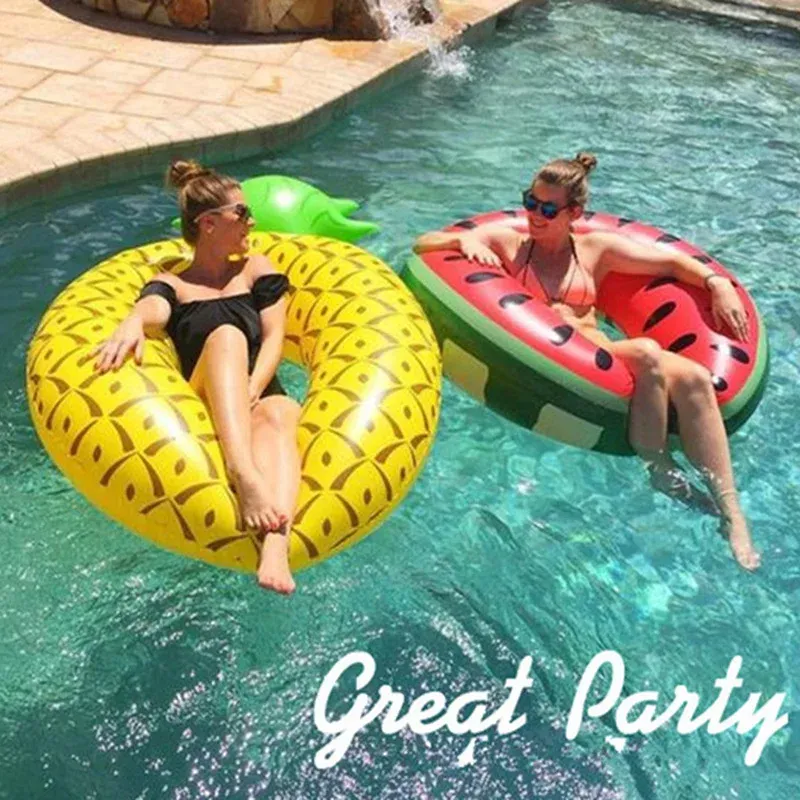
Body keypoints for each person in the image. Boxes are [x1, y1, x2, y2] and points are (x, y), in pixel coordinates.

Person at [414, 152, 760, 571]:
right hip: (566, 360)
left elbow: (670, 263)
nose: (534, 214)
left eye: (548, 209)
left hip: (604, 358)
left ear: (574, 213)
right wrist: (461, 241)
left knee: (696, 379)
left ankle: (732, 513)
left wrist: (717, 283)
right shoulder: (509, 243)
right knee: (646, 352)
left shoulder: (596, 250)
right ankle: (657, 465)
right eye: (530, 201)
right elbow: (424, 243)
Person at [94, 160, 301, 594]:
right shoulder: (174, 284)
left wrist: (253, 387)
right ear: (209, 224)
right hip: (204, 400)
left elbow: (275, 338)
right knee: (226, 336)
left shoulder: (255, 269)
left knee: (282, 409)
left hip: (257, 391)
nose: (251, 222)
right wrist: (134, 319)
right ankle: (243, 473)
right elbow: (154, 308)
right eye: (242, 213)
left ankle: (276, 545)